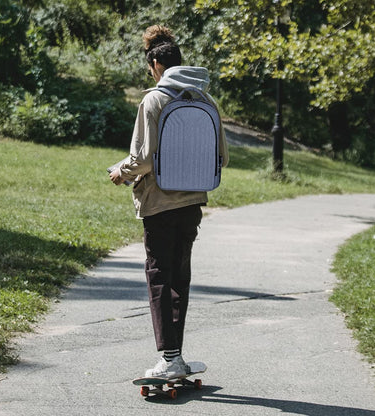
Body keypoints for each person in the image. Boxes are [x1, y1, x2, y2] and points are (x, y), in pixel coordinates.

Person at [110, 25, 229, 378]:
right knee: (180, 276)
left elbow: (143, 159)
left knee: (159, 275)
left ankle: (169, 359)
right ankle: (175, 356)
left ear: (155, 66)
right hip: (192, 204)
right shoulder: (206, 100)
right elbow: (221, 158)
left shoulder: (154, 100)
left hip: (159, 204)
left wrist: (121, 171)